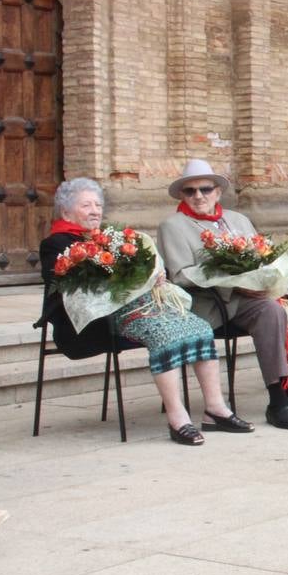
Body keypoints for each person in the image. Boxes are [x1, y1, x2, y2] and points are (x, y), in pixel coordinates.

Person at [41, 178, 250, 446]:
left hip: (140, 308)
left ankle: (215, 410)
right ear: (66, 211)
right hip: (99, 321)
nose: (95, 210)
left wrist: (152, 275)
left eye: (98, 204)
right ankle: (178, 418)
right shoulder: (56, 243)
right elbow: (72, 286)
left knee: (199, 326)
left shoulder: (108, 238)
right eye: (86, 205)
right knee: (163, 333)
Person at [158, 160, 288, 430]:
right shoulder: (173, 226)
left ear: (218, 192)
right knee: (271, 312)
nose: (198, 196)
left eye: (205, 189)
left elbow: (263, 257)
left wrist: (270, 279)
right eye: (190, 191)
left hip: (260, 294)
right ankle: (277, 400)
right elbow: (181, 274)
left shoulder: (238, 219)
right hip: (218, 303)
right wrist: (234, 283)